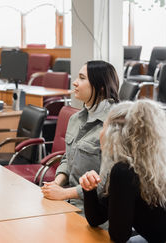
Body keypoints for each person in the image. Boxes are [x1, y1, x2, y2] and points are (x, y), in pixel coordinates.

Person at [80, 100, 166, 242]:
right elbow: (96, 218)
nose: (100, 132)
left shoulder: (124, 171)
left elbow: (119, 236)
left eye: (104, 126)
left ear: (115, 134)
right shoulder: (131, 164)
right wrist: (89, 190)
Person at [41, 60, 119, 210]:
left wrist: (64, 193)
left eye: (82, 78)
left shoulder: (114, 125)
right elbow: (67, 158)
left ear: (101, 87)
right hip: (69, 205)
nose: (75, 83)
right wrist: (57, 183)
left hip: (96, 213)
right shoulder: (75, 119)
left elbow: (108, 183)